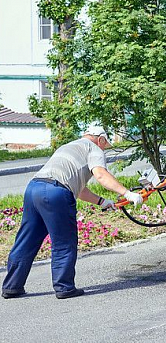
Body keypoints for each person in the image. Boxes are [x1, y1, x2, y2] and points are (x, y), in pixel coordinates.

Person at [1, 125, 144, 299]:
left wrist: (102, 202)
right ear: (100, 139)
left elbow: (79, 189)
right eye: (105, 144)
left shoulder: (69, 146)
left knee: (27, 240)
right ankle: (64, 287)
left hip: (33, 188)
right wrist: (127, 193)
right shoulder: (94, 148)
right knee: (64, 241)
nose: (104, 148)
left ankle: (12, 286)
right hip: (56, 193)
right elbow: (100, 174)